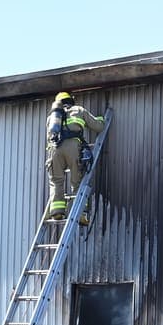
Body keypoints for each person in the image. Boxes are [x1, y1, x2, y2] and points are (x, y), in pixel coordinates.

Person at [44, 91, 105, 226]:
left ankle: (57, 212)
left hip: (54, 150)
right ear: (71, 101)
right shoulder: (79, 110)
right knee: (77, 181)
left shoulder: (51, 118)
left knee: (56, 181)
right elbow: (98, 127)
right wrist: (101, 119)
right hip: (72, 147)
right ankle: (81, 214)